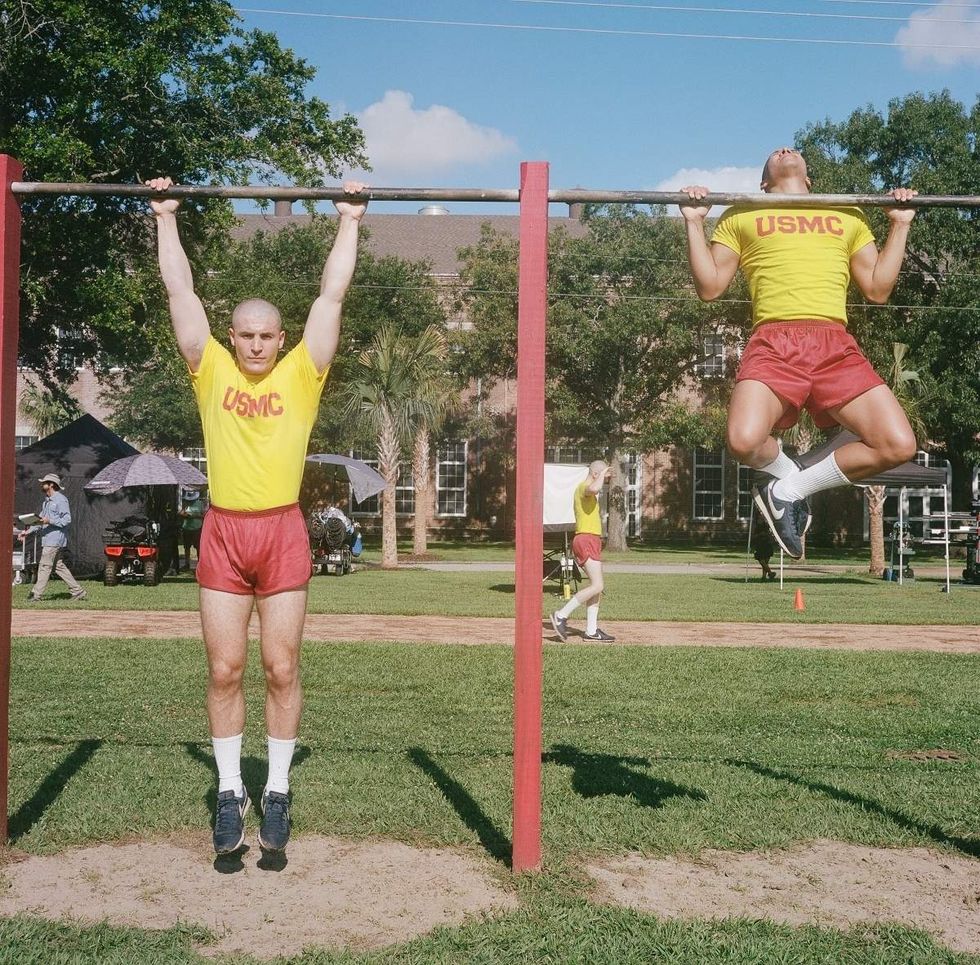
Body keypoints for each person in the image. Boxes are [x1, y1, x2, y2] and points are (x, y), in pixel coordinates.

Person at [148, 174, 368, 855]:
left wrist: (350, 220)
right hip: (223, 530)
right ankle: (226, 793)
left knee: (280, 665)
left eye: (265, 335)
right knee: (223, 668)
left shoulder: (304, 372)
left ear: (281, 338)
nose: (253, 345)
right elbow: (181, 293)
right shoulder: (209, 367)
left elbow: (331, 295)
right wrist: (164, 216)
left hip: (280, 530)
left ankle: (275, 790)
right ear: (232, 335)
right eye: (244, 334)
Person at [680, 147, 919, 558]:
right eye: (775, 153)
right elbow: (710, 287)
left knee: (898, 445)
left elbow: (878, 288)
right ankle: (787, 478)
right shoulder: (743, 213)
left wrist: (899, 225)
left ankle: (790, 487)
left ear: (809, 179)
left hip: (833, 343)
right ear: (763, 182)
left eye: (794, 152)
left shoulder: (846, 214)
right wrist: (693, 222)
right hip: (774, 340)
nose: (786, 150)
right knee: (743, 439)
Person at [550, 460, 616, 643]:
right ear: (595, 474)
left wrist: (602, 475)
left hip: (591, 540)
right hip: (585, 539)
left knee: (597, 587)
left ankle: (591, 631)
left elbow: (595, 489)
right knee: (598, 586)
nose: (605, 481)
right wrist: (602, 474)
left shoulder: (588, 488)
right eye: (603, 476)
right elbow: (594, 489)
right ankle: (561, 615)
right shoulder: (583, 487)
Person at [18, 473, 87, 602]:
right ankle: (78, 592)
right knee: (58, 566)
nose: (41, 485)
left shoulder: (61, 500)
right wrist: (26, 532)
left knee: (44, 566)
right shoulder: (46, 501)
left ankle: (36, 594)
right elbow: (40, 521)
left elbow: (67, 520)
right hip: (48, 539)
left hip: (55, 540)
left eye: (44, 483)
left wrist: (50, 520)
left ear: (51, 485)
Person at [179, 487, 207, 572]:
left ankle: (200, 565)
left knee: (198, 547)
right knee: (186, 547)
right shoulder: (184, 503)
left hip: (197, 528)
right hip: (186, 528)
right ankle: (187, 564)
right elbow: (180, 513)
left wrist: (194, 516)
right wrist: (185, 515)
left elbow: (204, 515)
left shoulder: (200, 503)